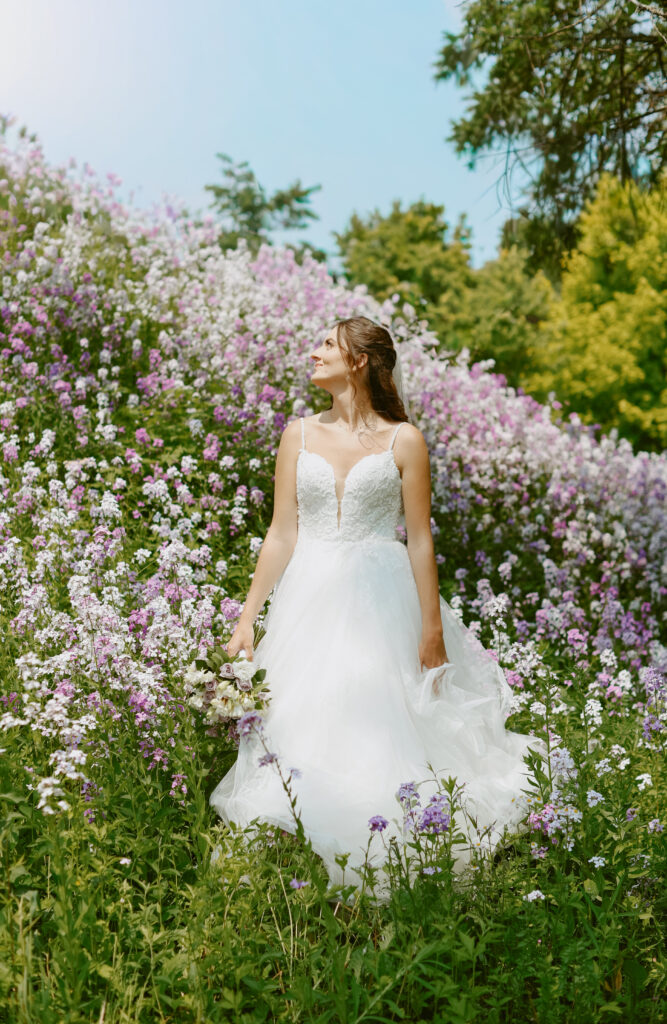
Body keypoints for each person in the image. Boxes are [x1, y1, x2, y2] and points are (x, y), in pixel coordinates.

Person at [210, 316, 545, 892]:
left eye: (326, 345)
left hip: (379, 597)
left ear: (359, 360)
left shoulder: (403, 439)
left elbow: (419, 538)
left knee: (380, 719)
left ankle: (383, 842)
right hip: (308, 596)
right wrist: (247, 618)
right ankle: (294, 847)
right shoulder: (298, 434)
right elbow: (281, 533)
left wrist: (432, 629)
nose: (313, 353)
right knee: (300, 716)